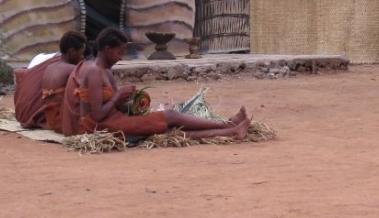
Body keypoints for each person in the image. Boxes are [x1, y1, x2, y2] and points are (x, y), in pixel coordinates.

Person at [60, 27, 251, 140]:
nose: (121, 57)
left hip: (113, 121)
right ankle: (228, 129)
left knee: (168, 127)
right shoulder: (93, 72)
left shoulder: (106, 71)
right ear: (107, 49)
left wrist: (135, 102)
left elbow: (117, 106)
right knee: (169, 117)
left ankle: (227, 127)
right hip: (100, 128)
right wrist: (119, 95)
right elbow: (99, 115)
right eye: (119, 52)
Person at [41, 31, 88, 133]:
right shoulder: (73, 69)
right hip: (63, 122)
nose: (82, 57)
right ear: (71, 52)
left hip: (50, 121)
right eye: (81, 53)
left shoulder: (49, 67)